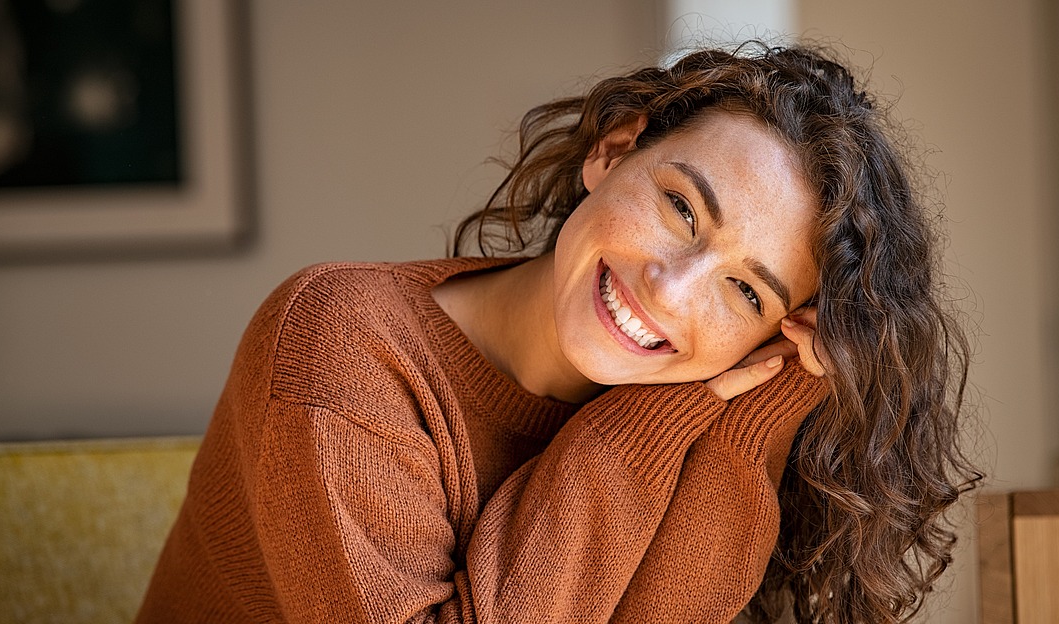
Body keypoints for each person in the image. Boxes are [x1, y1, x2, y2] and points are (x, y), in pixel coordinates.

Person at [137, 42, 979, 623]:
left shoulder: (702, 414)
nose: (671, 289)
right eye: (680, 207)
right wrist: (639, 430)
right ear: (612, 154)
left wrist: (766, 409)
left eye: (744, 293)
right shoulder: (341, 341)